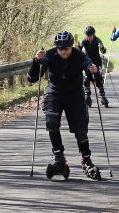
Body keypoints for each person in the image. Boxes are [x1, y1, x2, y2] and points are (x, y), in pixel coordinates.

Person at [28, 30, 103, 180]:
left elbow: (97, 82)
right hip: (54, 92)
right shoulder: (49, 55)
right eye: (60, 48)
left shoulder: (80, 56)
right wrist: (36, 61)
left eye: (66, 48)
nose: (62, 51)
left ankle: (86, 160)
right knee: (51, 122)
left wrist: (96, 72)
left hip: (75, 93)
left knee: (80, 129)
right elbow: (32, 79)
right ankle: (59, 158)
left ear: (71, 47)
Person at [78, 26, 109, 107]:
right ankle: (87, 96)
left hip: (97, 62)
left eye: (90, 36)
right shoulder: (84, 41)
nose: (89, 38)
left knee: (98, 78)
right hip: (88, 62)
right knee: (86, 78)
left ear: (93, 34)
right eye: (88, 36)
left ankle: (103, 96)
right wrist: (77, 47)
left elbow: (104, 51)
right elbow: (78, 50)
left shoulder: (97, 40)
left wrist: (101, 48)